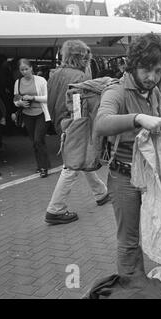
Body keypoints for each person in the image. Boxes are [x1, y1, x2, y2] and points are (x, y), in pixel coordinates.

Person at [95, 34, 161, 276]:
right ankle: (131, 289)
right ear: (134, 64)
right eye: (146, 70)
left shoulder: (155, 92)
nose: (152, 78)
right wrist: (137, 118)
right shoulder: (117, 91)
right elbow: (101, 123)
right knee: (129, 242)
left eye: (158, 71)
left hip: (151, 175)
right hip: (124, 178)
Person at [45, 40, 110, 225]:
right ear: (81, 57)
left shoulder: (55, 74)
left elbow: (52, 101)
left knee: (80, 159)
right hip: (75, 123)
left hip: (61, 122)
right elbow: (78, 108)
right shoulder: (79, 77)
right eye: (86, 56)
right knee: (72, 166)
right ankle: (55, 209)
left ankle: (101, 193)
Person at [13, 59, 51, 177]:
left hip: (41, 114)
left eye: (26, 69)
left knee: (37, 140)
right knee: (35, 142)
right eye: (22, 70)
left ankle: (44, 168)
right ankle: (41, 164)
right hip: (27, 115)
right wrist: (20, 103)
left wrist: (33, 98)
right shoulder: (18, 82)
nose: (24, 72)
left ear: (31, 68)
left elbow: (47, 98)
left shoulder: (41, 80)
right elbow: (15, 99)